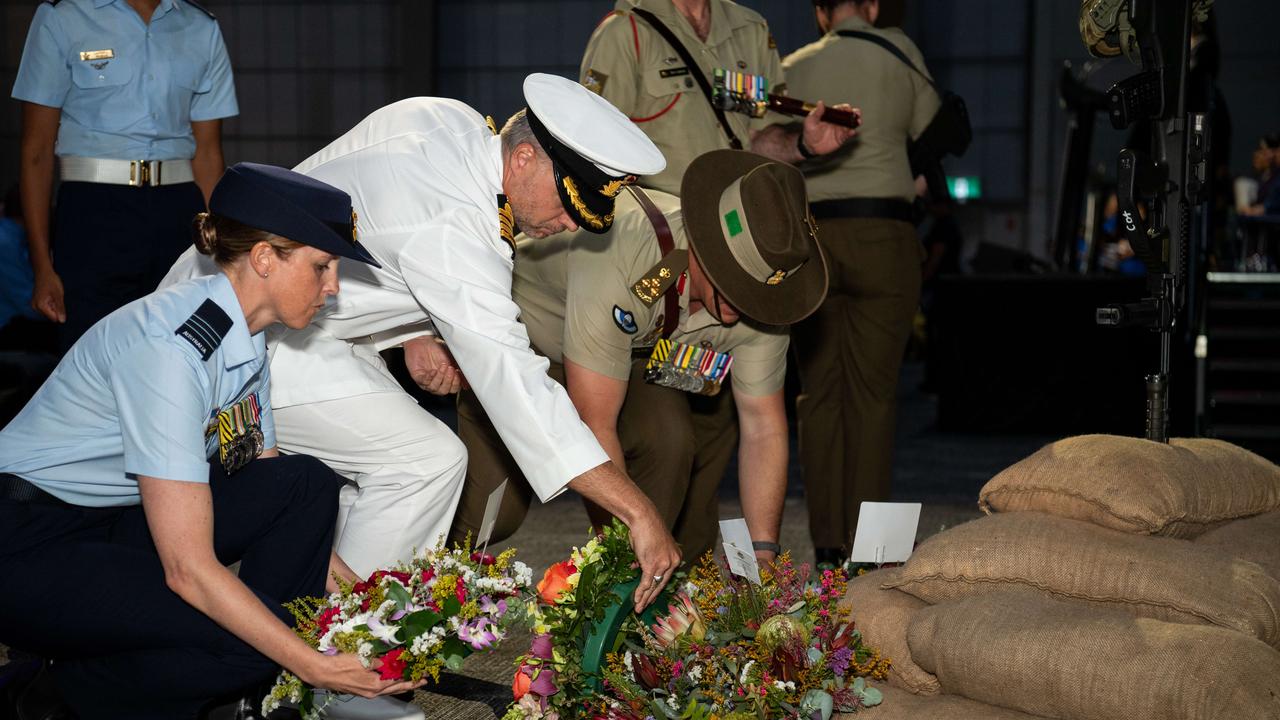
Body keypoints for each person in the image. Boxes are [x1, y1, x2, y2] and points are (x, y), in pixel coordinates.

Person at [163, 74, 681, 609]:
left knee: (376, 478)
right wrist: (637, 510)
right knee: (422, 464)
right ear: (523, 158)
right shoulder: (456, 223)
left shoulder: (445, 118)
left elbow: (362, 220)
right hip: (245, 334)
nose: (572, 223)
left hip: (271, 308)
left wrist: (420, 328)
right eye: (570, 202)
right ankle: (343, 651)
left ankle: (300, 618)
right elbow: (519, 390)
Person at [0, 163, 410, 720]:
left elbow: (262, 480)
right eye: (322, 266)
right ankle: (46, 694)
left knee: (304, 483)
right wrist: (311, 661)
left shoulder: (245, 337)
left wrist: (368, 607)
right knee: (251, 642)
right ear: (265, 258)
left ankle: (252, 691)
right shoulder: (170, 350)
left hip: (110, 520)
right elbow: (188, 567)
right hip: (28, 544)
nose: (333, 287)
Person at [450, 150, 827, 565]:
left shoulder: (766, 308)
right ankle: (423, 576)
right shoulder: (623, 246)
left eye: (755, 292)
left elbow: (763, 429)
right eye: (732, 282)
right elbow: (596, 423)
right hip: (526, 347)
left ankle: (634, 586)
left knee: (668, 438)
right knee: (494, 512)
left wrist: (763, 554)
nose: (743, 304)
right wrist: (631, 529)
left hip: (625, 356)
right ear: (703, 245)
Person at [782, 0, 939, 565]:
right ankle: (874, 550)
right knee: (874, 397)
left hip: (812, 239)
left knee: (818, 395)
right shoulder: (900, 51)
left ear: (821, 11)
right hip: (883, 235)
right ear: (871, 5)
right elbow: (931, 127)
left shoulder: (791, 65)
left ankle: (826, 545)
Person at [12, 0, 238, 351]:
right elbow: (36, 152)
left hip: (179, 208)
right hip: (94, 210)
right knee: (93, 350)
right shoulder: (64, 17)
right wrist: (42, 265)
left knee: (180, 349)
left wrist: (225, 253)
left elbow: (208, 154)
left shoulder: (201, 27)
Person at [579, 0, 858, 195]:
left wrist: (804, 144)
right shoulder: (626, 31)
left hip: (735, 226)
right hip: (661, 228)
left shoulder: (750, 30)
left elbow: (756, 142)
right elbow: (593, 153)